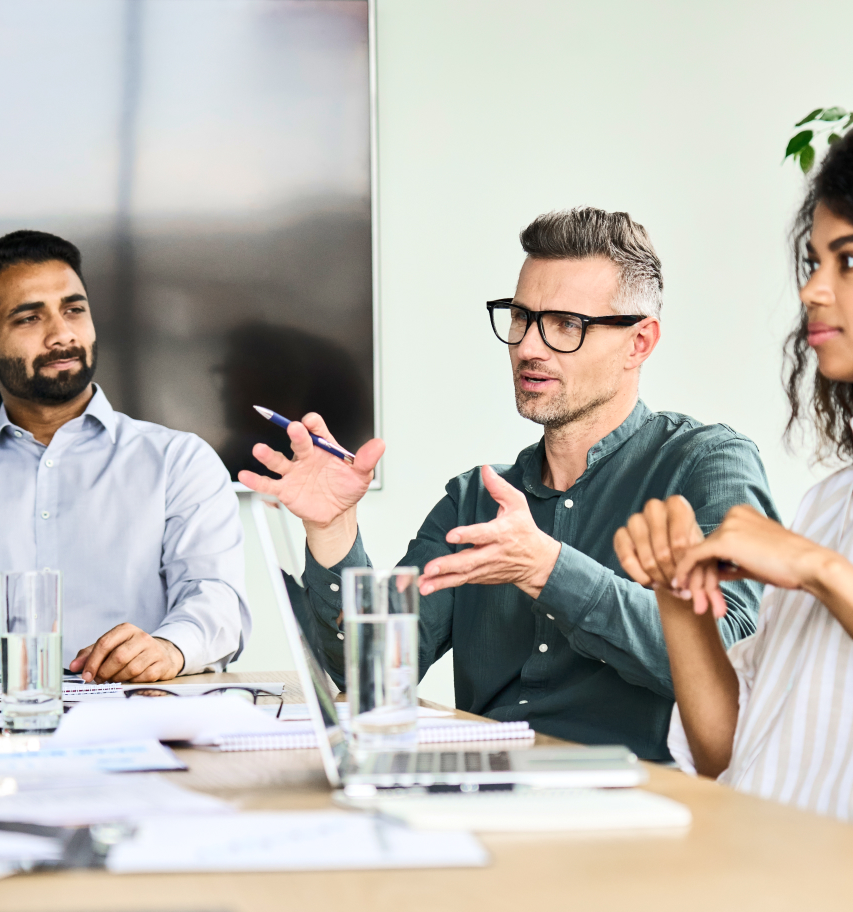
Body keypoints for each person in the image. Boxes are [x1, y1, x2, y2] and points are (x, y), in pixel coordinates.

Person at [240, 206, 778, 759]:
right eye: (521, 317)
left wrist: (548, 569)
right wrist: (332, 528)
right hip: (486, 793)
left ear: (639, 343)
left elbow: (735, 660)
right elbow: (372, 673)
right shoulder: (473, 498)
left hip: (644, 808)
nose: (528, 347)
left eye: (567, 324)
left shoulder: (707, 464)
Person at [613, 123, 853, 826]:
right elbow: (727, 749)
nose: (814, 291)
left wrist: (818, 568)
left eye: (850, 261)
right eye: (813, 260)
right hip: (747, 864)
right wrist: (676, 595)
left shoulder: (816, 541)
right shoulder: (835, 500)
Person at [0, 230, 250, 683]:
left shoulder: (179, 462)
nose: (61, 334)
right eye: (28, 318)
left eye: (74, 310)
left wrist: (170, 648)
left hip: (138, 719)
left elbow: (215, 597)